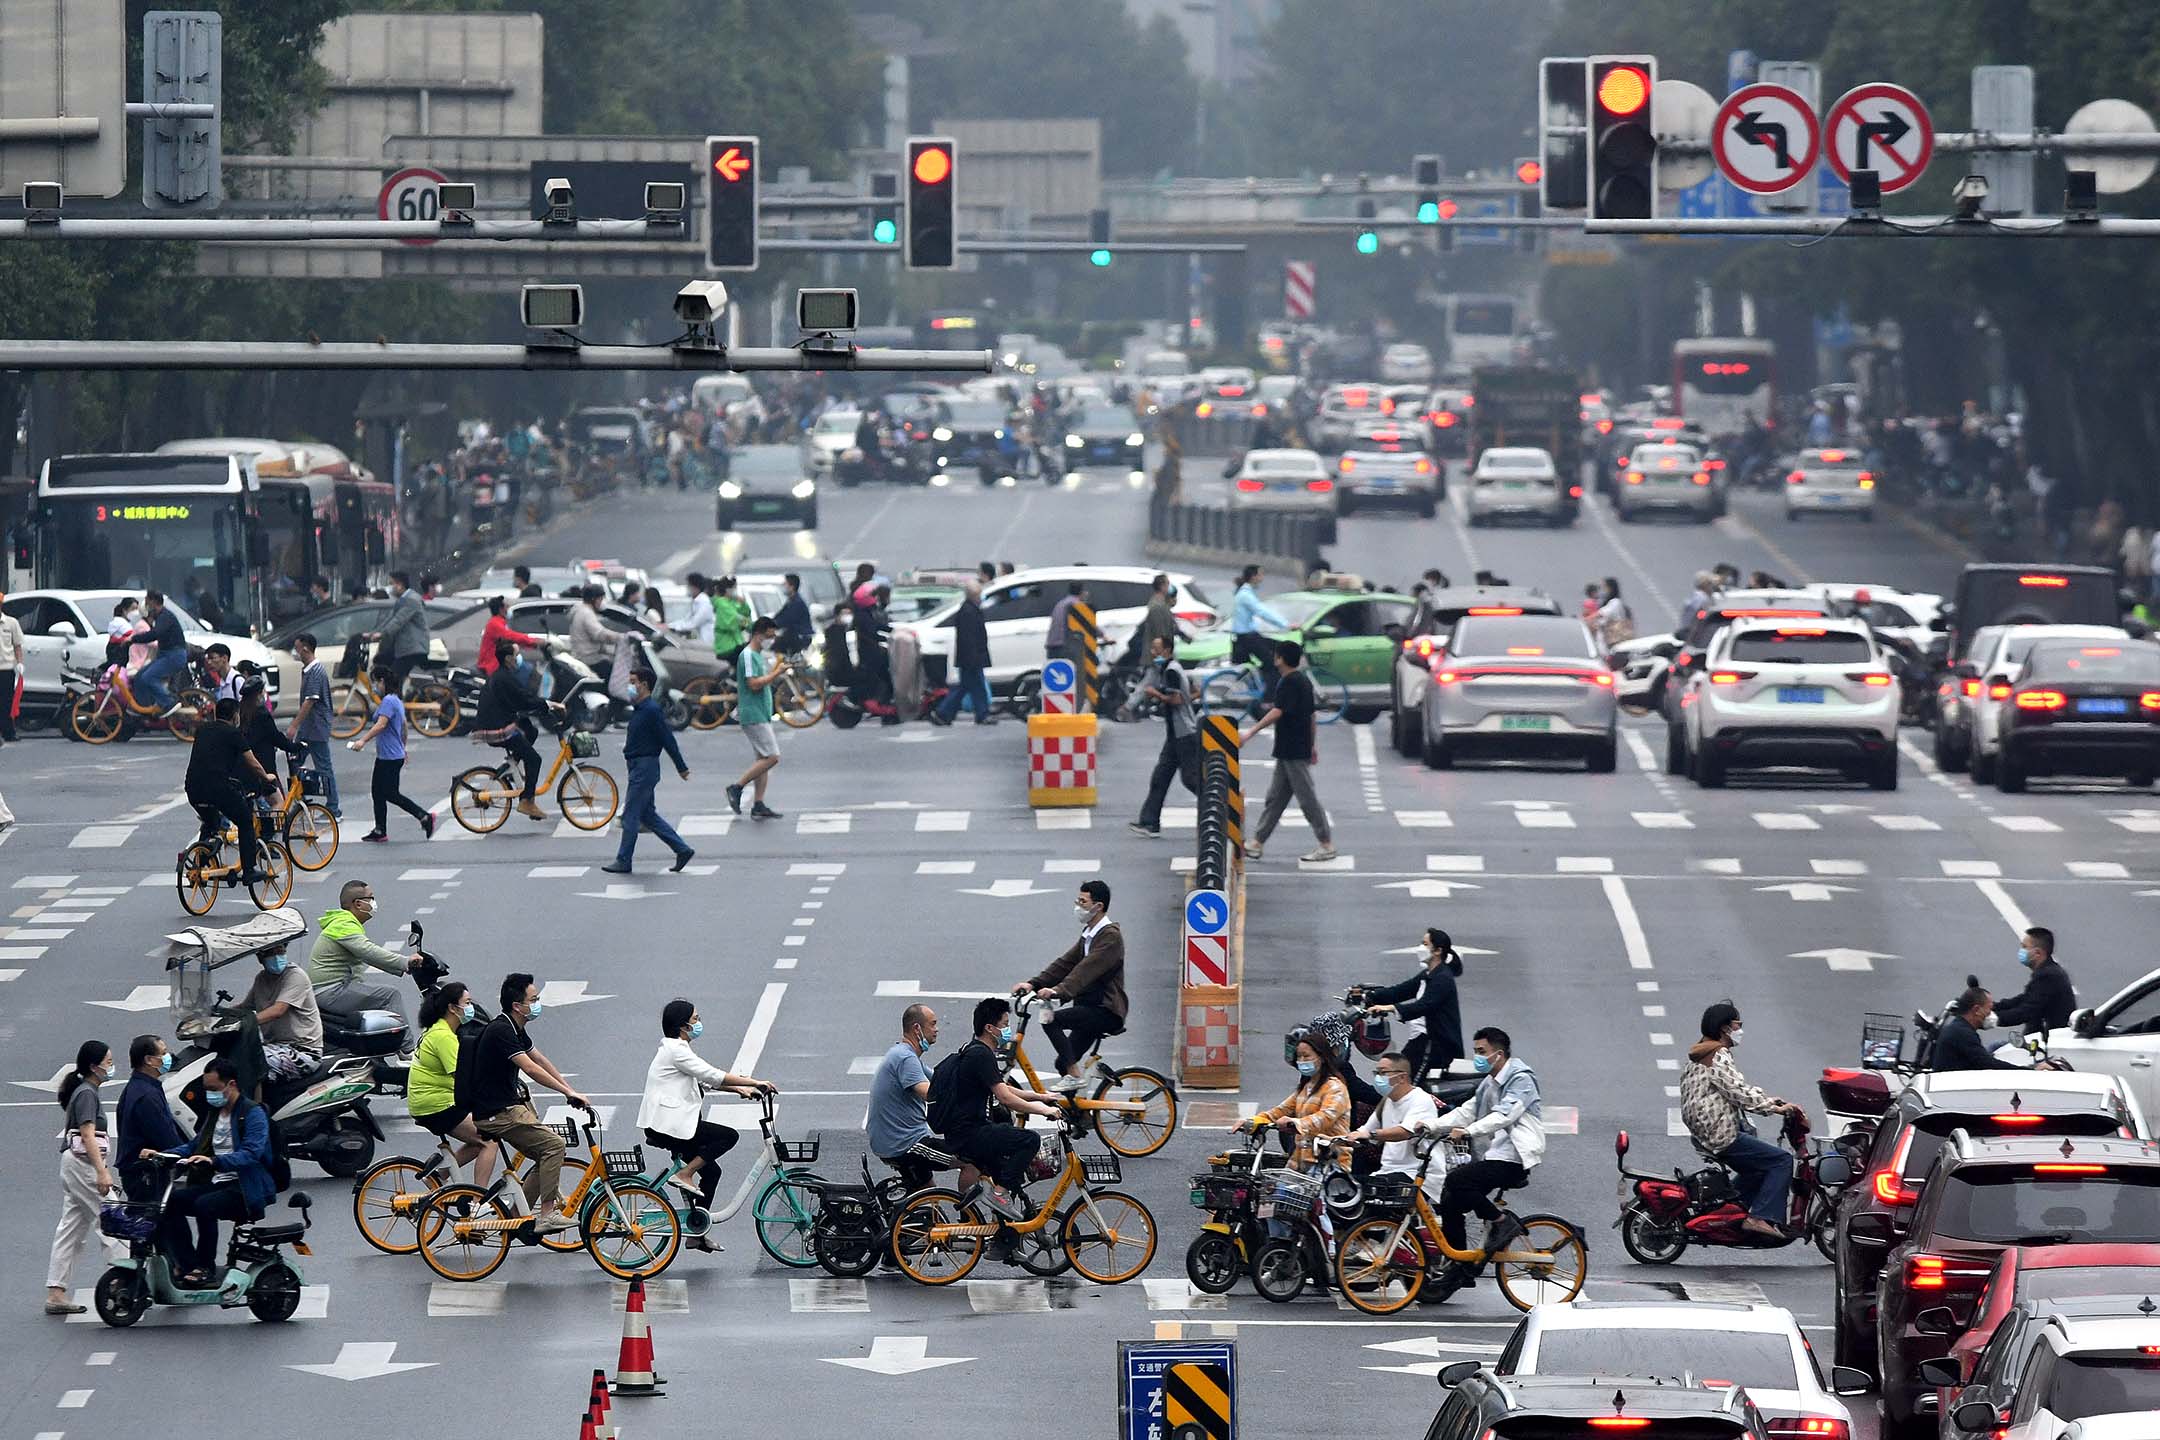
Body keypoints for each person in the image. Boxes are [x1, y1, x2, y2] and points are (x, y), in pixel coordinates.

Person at [1422, 1026, 1544, 1302]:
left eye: (1481, 1052)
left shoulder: (1520, 1079)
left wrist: (1469, 1131)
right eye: (1475, 1051)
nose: (1477, 1057)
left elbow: (1504, 1115)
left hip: (1515, 1157)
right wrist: (1430, 1125)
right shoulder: (1490, 1081)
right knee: (1450, 1198)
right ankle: (1461, 1265)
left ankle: (1502, 1222)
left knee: (1458, 1180)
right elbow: (1468, 1110)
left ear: (1498, 1054)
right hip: (1496, 1153)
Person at [638, 999, 774, 1244]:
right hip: (669, 1126)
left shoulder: (677, 1049)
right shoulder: (676, 1051)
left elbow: (703, 1081)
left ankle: (695, 1233)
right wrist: (753, 1082)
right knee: (728, 1136)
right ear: (683, 1027)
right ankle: (685, 1174)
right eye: (695, 1019)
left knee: (711, 1172)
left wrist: (738, 1091)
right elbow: (711, 1074)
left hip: (672, 1124)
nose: (699, 1023)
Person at [468, 974, 591, 1235]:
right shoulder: (502, 1030)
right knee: (554, 1146)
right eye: (533, 1000)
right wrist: (565, 1091)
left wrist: (570, 1091)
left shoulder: (515, 1028)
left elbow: (541, 1060)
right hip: (498, 1112)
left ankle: (515, 1218)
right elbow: (530, 1069)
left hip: (504, 1108)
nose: (537, 1004)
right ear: (517, 1005)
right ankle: (547, 1215)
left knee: (544, 1154)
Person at [930, 997, 1060, 1220]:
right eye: (1004, 1024)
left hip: (964, 1134)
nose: (1007, 1030)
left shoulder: (974, 1050)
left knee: (1008, 1175)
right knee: (1029, 1140)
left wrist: (1040, 1097)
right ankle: (999, 1195)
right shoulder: (981, 1055)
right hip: (972, 1134)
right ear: (989, 1028)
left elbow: (1005, 1088)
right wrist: (1043, 1111)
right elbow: (1005, 1098)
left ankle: (1005, 1242)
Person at [154, 1057, 275, 1291]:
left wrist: (214, 1161)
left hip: (244, 1188)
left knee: (204, 1205)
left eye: (213, 1089)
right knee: (170, 1203)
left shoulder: (252, 1114)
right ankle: (187, 1265)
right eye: (206, 1089)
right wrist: (161, 1155)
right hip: (219, 1182)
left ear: (231, 1084)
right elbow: (193, 1146)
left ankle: (205, 1268)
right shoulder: (214, 1114)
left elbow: (251, 1153)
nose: (209, 1095)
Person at [1680, 1002, 1796, 1241]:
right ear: (1725, 1028)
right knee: (1781, 1161)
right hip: (1720, 1132)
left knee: (1758, 1168)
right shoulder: (1717, 1054)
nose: (1740, 1029)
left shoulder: (1700, 1052)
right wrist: (1773, 1109)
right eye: (1737, 1024)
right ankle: (1760, 1217)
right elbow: (1736, 1091)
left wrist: (1769, 1100)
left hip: (1706, 1131)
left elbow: (1732, 1088)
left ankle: (1731, 1211)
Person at [1016, 881, 1127, 1092]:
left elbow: (1085, 970)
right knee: (1062, 1063)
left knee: (1050, 1020)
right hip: (1089, 1008)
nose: (1078, 906)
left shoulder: (1110, 937)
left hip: (1105, 1010)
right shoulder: (1090, 934)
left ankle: (1075, 1076)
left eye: (1083, 901)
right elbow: (1065, 963)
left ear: (1099, 906)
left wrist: (1058, 991)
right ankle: (1078, 1115)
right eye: (1078, 900)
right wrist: (1033, 983)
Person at [1240, 1035, 1352, 1237]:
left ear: (1321, 1057)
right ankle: (1281, 1248)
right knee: (1270, 1201)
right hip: (1300, 1162)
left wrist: (1296, 1123)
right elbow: (1280, 1110)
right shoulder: (1305, 1088)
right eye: (1299, 1057)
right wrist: (1253, 1121)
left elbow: (1323, 1118)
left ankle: (1329, 1254)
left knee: (1309, 1210)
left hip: (1328, 1164)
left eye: (1306, 1056)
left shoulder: (1336, 1088)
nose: (1302, 1061)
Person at [1239, 640, 1336, 863]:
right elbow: (1311, 715)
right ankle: (1257, 842)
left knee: (1307, 798)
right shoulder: (1300, 681)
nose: (1274, 657)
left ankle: (1326, 843)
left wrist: (1250, 732)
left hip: (1292, 748)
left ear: (1280, 658)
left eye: (1276, 654)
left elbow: (1277, 711)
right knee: (1276, 798)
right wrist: (1312, 745)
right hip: (1290, 748)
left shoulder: (1289, 682)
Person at [46, 1041, 122, 1314]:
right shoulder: (87, 1094)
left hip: (73, 1163)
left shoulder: (83, 1090)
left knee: (72, 1230)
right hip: (83, 1164)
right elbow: (87, 1134)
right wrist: (102, 1171)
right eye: (108, 1061)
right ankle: (125, 1283)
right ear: (94, 1066)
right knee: (114, 1221)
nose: (111, 1066)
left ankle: (56, 1292)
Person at [308, 880, 419, 1053]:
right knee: (389, 995)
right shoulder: (343, 925)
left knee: (373, 999)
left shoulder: (344, 923)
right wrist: (406, 962)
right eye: (371, 898)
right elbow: (368, 951)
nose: (374, 903)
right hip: (331, 991)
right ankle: (408, 1051)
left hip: (335, 988)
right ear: (358, 903)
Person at [605, 668, 694, 874]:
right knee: (648, 815)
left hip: (645, 768)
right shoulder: (640, 708)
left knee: (631, 816)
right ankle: (682, 849)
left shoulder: (651, 710)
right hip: (638, 767)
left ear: (644, 685)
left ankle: (623, 860)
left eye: (633, 681)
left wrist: (681, 767)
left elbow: (667, 739)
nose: (630, 685)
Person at [409, 981, 495, 1191]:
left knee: (478, 1140)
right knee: (489, 1140)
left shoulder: (438, 1030)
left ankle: (438, 1177)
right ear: (452, 1008)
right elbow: (464, 1076)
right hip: (436, 1104)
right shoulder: (443, 1037)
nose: (470, 1007)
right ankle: (478, 1200)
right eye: (467, 1002)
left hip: (430, 1101)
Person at [186, 697, 275, 883]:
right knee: (244, 821)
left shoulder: (202, 730)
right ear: (235, 716)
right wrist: (266, 777)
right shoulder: (233, 734)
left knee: (211, 822)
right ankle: (249, 869)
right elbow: (253, 763)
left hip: (193, 789)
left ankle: (200, 864)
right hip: (217, 788)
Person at [870, 1004, 958, 1190]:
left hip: (893, 1140)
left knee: (928, 1193)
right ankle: (969, 1217)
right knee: (970, 1159)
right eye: (933, 1024)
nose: (937, 1029)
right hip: (906, 1143)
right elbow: (931, 1094)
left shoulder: (905, 1055)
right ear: (917, 1028)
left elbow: (940, 1081)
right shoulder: (905, 1058)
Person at [1363, 928, 1466, 1084]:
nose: (1420, 948)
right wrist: (1369, 995)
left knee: (1405, 1083)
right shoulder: (1428, 975)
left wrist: (1391, 1008)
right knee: (1397, 1074)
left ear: (1437, 950)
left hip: (1434, 1045)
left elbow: (1424, 1006)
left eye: (1425, 944)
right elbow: (1400, 991)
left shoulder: (1443, 978)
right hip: (1420, 1041)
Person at [347, 661, 434, 842]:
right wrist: (404, 748)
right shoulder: (396, 700)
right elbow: (403, 728)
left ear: (382, 681)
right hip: (390, 755)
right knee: (378, 792)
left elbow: (381, 724)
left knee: (389, 793)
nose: (374, 687)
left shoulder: (388, 701)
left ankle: (424, 816)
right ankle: (380, 830)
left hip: (389, 757)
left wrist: (362, 740)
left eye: (375, 682)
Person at [473, 637, 552, 821]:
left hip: (498, 722)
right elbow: (523, 699)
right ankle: (527, 801)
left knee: (531, 731)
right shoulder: (504, 678)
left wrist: (542, 706)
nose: (518, 658)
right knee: (534, 759)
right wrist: (547, 705)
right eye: (516, 655)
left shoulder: (502, 675)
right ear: (508, 658)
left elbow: (521, 700)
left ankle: (510, 767)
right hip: (496, 729)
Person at [1344, 1051, 1442, 1195]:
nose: (1378, 1078)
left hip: (1416, 1174)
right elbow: (1365, 1130)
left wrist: (1370, 1135)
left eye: (1383, 1073)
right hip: (1387, 1172)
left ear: (1402, 1077)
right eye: (1376, 1073)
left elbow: (1404, 1132)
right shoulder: (1387, 1101)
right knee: (1345, 1186)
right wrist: (1338, 1139)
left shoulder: (1421, 1100)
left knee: (1360, 1191)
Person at [1130, 631, 1199, 835]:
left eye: (1156, 649)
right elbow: (1195, 692)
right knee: (1160, 777)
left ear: (1167, 650)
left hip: (1184, 733)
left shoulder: (1171, 671)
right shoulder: (1173, 669)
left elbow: (1176, 700)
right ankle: (1149, 822)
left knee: (1191, 779)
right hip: (1175, 734)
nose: (1153, 652)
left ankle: (1219, 807)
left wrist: (1155, 694)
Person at [726, 619, 787, 820]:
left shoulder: (757, 656)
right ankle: (737, 787)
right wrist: (776, 674)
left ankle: (758, 803)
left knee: (763, 759)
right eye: (769, 636)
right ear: (758, 634)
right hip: (753, 714)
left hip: (760, 712)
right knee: (772, 757)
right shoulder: (749, 656)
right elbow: (753, 684)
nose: (771, 640)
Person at [116, 1034, 185, 1202]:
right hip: (146, 1174)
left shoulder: (140, 1087)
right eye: (163, 1053)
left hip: (140, 1172)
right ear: (149, 1060)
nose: (168, 1057)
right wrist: (185, 1156)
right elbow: (165, 1136)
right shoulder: (147, 1096)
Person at [250, 938, 323, 1080]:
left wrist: (245, 1022)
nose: (277, 957)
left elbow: (278, 1010)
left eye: (280, 952)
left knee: (250, 1062)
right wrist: (218, 1016)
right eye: (271, 953)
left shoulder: (295, 976)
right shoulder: (262, 978)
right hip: (275, 1046)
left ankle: (256, 1103)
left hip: (302, 1051)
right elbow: (245, 1007)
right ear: (260, 958)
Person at [288, 632, 341, 820]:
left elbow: (309, 702)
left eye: (296, 648)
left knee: (324, 767)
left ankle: (334, 809)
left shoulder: (316, 671)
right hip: (308, 728)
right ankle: (299, 800)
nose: (295, 652)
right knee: (294, 762)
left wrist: (294, 725)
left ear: (305, 648)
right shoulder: (309, 670)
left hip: (316, 728)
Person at [1991, 926, 2075, 1037]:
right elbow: (2025, 998)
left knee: (1994, 1049)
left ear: (2038, 953)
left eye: (2024, 947)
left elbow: (2026, 1011)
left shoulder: (2048, 976)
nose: (2021, 951)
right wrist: (1991, 1007)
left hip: (2046, 1043)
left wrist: (1991, 1019)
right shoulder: (2049, 972)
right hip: (2041, 1039)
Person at [931, 580, 995, 726]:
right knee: (974, 686)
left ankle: (947, 713)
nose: (981, 598)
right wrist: (974, 658)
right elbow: (969, 639)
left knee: (967, 686)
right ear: (973, 596)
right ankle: (948, 713)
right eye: (979, 595)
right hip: (971, 657)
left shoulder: (969, 610)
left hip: (970, 657)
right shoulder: (969, 612)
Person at [1230, 564, 1289, 706]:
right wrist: (1285, 624)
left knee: (1278, 647)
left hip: (1248, 637)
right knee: (1274, 664)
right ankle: (1269, 699)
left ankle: (1262, 682)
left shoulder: (1245, 592)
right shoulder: (1245, 595)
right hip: (1248, 638)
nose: (1262, 578)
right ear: (1253, 576)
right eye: (1261, 575)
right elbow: (1261, 611)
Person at [1933, 986, 2028, 1071]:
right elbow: (1988, 1063)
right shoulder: (1963, 1034)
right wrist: (2026, 1071)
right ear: (1976, 1010)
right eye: (1989, 1009)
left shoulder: (1958, 1027)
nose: (1991, 1014)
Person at [132, 590, 191, 714]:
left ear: (153, 602)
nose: (146, 605)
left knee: (149, 677)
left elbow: (155, 634)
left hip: (173, 656)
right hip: (165, 655)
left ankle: (169, 703)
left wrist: (133, 639)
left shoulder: (165, 616)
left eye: (147, 601)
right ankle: (144, 708)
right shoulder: (159, 617)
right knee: (139, 678)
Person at [382, 571, 431, 691]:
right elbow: (391, 620)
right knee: (394, 677)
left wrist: (382, 634)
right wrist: (373, 633)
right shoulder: (404, 599)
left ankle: (395, 707)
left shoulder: (411, 600)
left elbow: (398, 621)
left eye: (391, 584)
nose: (390, 587)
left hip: (413, 648)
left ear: (400, 584)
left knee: (393, 677)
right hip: (407, 648)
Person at [476, 597, 539, 676]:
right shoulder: (494, 624)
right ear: (501, 609)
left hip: (498, 665)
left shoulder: (500, 622)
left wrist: (531, 645)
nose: (508, 608)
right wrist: (535, 641)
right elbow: (511, 636)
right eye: (506, 606)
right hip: (492, 666)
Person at [1045, 580, 1098, 663]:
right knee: (1076, 672)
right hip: (1064, 647)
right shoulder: (1077, 605)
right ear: (1082, 592)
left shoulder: (1061, 603)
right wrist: (1104, 637)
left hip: (1052, 646)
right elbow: (1088, 624)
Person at [710, 576, 751, 670]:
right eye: (733, 588)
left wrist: (743, 603)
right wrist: (753, 626)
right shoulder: (722, 603)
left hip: (735, 642)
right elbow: (736, 619)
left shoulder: (732, 602)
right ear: (727, 589)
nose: (735, 590)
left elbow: (745, 614)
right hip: (727, 646)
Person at [568, 585, 612, 673]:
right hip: (589, 659)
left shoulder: (580, 610)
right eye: (600, 599)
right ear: (593, 599)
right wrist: (618, 637)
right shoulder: (586, 613)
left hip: (582, 657)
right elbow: (599, 634)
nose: (601, 602)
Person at [669, 573, 715, 653]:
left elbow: (692, 623)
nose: (688, 589)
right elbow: (686, 620)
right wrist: (669, 626)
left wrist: (673, 628)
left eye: (688, 586)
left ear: (695, 587)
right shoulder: (696, 602)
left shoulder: (704, 604)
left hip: (708, 644)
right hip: (701, 642)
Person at [773, 574, 813, 656]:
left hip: (799, 638)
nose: (783, 587)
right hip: (793, 637)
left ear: (792, 587)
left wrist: (773, 625)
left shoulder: (797, 603)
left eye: (785, 584)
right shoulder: (791, 601)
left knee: (776, 647)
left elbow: (786, 619)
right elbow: (780, 616)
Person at [1594, 578, 1634, 648]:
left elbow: (1601, 614)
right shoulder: (1605, 603)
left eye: (1604, 587)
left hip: (1612, 639)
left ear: (1610, 588)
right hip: (1605, 638)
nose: (1602, 590)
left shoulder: (1615, 602)